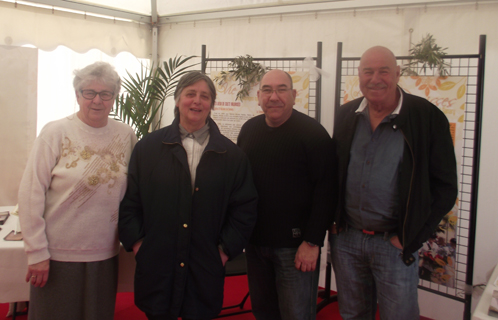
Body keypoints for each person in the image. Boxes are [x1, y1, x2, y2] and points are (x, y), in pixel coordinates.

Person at [330, 46, 458, 320]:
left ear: (397, 74)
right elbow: (333, 172)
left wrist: (411, 236)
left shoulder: (427, 117)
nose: (375, 78)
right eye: (368, 71)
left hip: (394, 245)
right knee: (352, 314)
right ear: (359, 75)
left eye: (383, 71)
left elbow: (446, 188)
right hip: (347, 240)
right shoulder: (345, 115)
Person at [118, 71, 258, 320]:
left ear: (212, 104)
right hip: (158, 265)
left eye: (204, 96)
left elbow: (244, 209)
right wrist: (140, 246)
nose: (197, 101)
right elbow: (129, 203)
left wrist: (224, 251)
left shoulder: (232, 156)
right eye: (190, 94)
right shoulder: (147, 149)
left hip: (204, 266)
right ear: (177, 99)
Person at [17, 61, 137, 320]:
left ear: (115, 97)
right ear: (77, 95)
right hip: (57, 254)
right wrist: (36, 252)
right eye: (89, 93)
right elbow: (30, 194)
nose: (97, 100)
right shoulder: (56, 132)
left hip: (105, 253)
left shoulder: (126, 135)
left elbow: (134, 192)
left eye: (106, 93)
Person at [237, 69, 335, 320]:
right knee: (263, 312)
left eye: (281, 89)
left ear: (293, 95)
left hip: (296, 249)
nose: (274, 96)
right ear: (258, 96)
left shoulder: (313, 135)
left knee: (296, 315)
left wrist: (313, 241)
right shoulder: (248, 131)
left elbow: (327, 190)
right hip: (256, 245)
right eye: (267, 90)